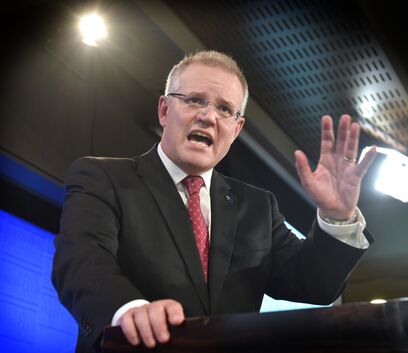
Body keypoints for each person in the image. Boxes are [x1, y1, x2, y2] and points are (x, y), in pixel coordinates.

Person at [52, 50, 377, 353]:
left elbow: (315, 284)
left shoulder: (258, 207)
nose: (208, 116)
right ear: (164, 110)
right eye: (194, 100)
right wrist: (130, 311)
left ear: (236, 129)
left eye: (224, 109)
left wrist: (337, 216)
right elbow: (81, 263)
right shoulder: (102, 178)